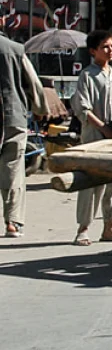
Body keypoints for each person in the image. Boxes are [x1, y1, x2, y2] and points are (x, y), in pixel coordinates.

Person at [71, 30, 112, 246]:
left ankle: (110, 227)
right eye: (105, 46)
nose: (110, 50)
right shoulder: (87, 76)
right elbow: (83, 109)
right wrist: (103, 128)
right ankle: (83, 228)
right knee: (90, 183)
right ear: (93, 51)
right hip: (94, 137)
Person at [0, 32, 46, 238]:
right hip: (14, 116)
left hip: (12, 116)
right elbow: (33, 83)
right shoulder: (15, 49)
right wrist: (40, 109)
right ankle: (12, 222)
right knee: (13, 170)